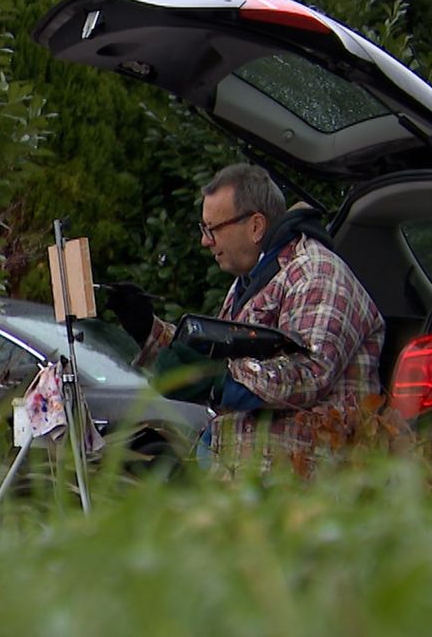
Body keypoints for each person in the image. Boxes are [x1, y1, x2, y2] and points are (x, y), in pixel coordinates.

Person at [107, 163, 384, 475]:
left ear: (255, 226)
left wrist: (218, 382)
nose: (205, 241)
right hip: (247, 480)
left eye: (212, 229)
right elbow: (216, 360)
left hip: (306, 486)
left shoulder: (317, 273)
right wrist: (146, 329)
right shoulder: (253, 280)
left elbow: (310, 371)